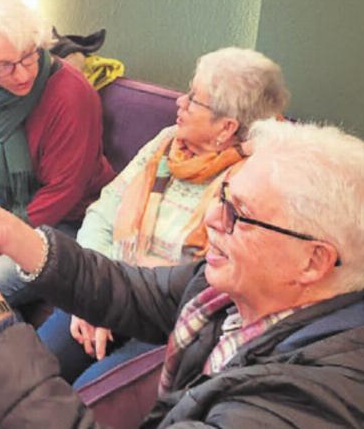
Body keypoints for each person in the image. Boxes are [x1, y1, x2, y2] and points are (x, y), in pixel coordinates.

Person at [0, 120, 364, 428]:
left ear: (315, 260)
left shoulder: (302, 410)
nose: (212, 221)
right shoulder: (252, 291)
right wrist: (15, 234)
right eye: (224, 197)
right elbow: (132, 290)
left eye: (238, 215)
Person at [32, 47, 291, 393]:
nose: (179, 104)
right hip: (111, 282)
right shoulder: (167, 143)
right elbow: (102, 212)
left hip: (172, 319)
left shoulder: (253, 182)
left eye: (193, 100)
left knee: (91, 396)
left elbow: (216, 281)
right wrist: (91, 293)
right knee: (34, 367)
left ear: (226, 127)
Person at [0, 0, 116, 412]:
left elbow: (60, 196)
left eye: (30, 55)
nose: (22, 73)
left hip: (73, 219)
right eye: (5, 65)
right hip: (14, 211)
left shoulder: (72, 96)